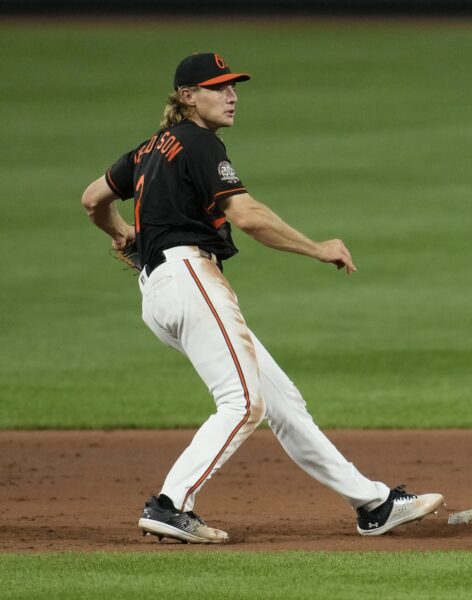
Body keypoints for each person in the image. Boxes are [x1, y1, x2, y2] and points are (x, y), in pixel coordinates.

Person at [80, 53, 443, 544]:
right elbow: (248, 216)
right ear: (187, 97)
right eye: (217, 87)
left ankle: (373, 504)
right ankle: (171, 504)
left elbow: (92, 199)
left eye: (233, 86)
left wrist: (126, 235)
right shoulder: (199, 143)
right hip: (190, 279)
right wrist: (318, 248)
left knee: (282, 403)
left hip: (164, 290)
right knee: (243, 402)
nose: (231, 95)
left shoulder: (149, 149)